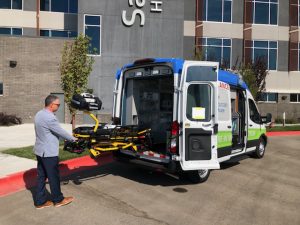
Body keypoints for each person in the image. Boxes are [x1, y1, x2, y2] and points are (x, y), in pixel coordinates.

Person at [34, 94, 76, 209]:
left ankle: (40, 201)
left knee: (41, 177)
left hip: (39, 151)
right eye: (58, 104)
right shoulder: (50, 117)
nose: (59, 106)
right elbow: (59, 131)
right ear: (52, 105)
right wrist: (73, 139)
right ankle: (58, 200)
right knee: (53, 177)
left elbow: (51, 132)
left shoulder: (39, 114)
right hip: (48, 153)